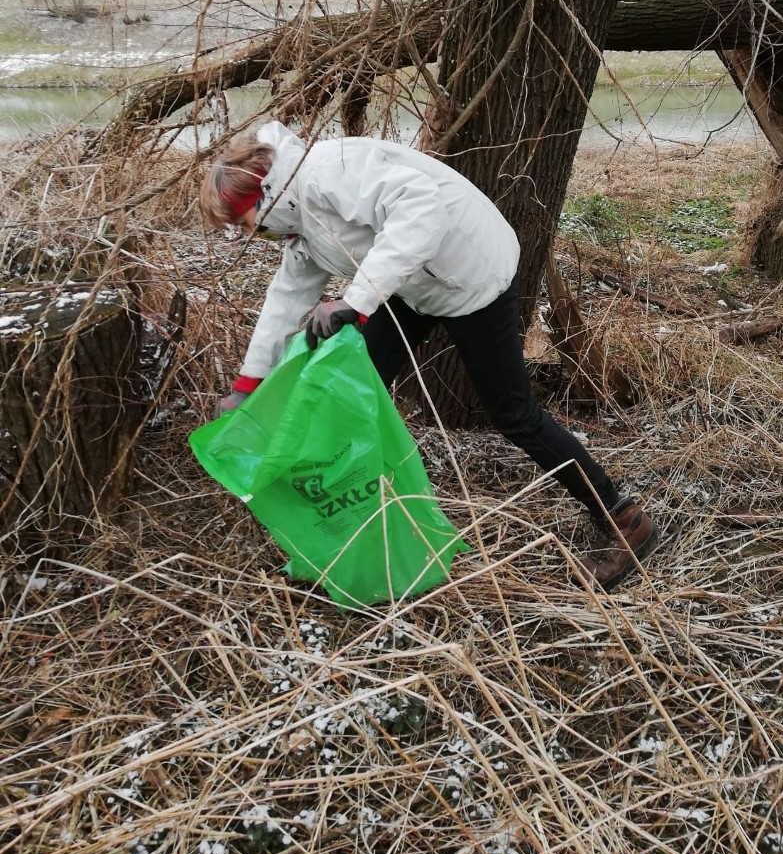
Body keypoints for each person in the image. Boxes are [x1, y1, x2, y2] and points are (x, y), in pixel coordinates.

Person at [199, 121, 660, 590]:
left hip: (470, 273)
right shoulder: (294, 215)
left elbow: (421, 208)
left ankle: (623, 518)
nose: (247, 234)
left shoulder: (324, 174)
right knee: (355, 385)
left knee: (513, 414)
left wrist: (356, 303)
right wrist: (246, 387)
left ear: (259, 198)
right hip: (411, 280)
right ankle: (357, 526)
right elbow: (287, 296)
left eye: (241, 224)